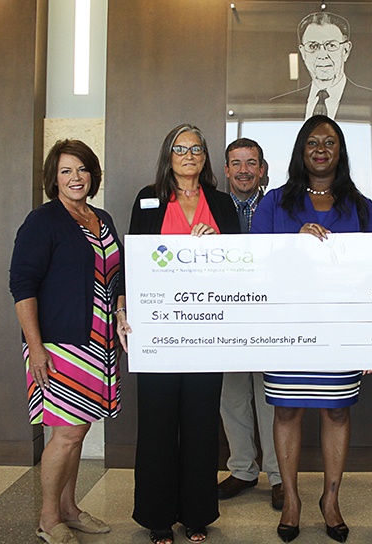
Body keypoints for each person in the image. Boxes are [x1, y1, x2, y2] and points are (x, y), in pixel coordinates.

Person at [251, 115, 372, 543]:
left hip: (341, 329)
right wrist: (295, 244)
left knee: (336, 410)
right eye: (312, 142)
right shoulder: (274, 203)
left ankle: (331, 499)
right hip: (287, 326)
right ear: (301, 151)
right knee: (286, 409)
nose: (321, 148)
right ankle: (291, 499)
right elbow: (256, 261)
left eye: (330, 142)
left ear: (341, 151)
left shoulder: (361, 207)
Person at [119, 124, 240, 544]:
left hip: (208, 331)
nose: (188, 154)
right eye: (180, 148)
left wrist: (218, 244)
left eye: (196, 148)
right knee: (157, 422)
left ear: (205, 157)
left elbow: (240, 265)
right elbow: (132, 259)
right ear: (168, 155)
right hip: (158, 331)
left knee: (202, 423)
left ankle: (196, 514)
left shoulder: (222, 205)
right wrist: (122, 309)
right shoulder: (148, 198)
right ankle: (157, 517)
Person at [10, 139, 122, 544]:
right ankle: (48, 517)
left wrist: (122, 311)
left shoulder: (101, 217)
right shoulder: (43, 221)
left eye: (81, 169)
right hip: (58, 344)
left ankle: (70, 509)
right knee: (67, 433)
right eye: (65, 171)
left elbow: (116, 275)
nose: (75, 178)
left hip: (98, 343)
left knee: (79, 430)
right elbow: (22, 285)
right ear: (53, 179)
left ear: (92, 174)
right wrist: (34, 346)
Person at [217, 138, 283, 510]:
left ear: (262, 169)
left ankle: (277, 475)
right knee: (232, 396)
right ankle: (242, 469)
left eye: (251, 163)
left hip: (269, 313)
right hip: (225, 314)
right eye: (236, 163)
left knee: (270, 395)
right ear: (226, 170)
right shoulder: (212, 205)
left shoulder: (278, 205)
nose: (244, 170)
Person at [270, 12, 372, 119]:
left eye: (331, 45)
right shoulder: (279, 106)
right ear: (303, 53)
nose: (322, 55)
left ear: (346, 50)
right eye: (312, 46)